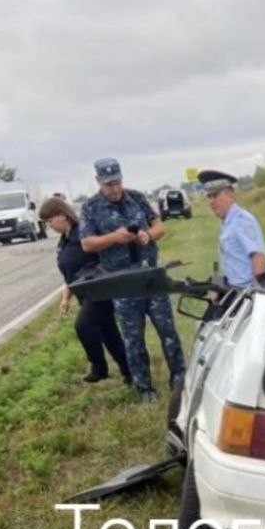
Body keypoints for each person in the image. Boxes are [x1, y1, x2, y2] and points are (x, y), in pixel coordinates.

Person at [79, 157, 186, 404]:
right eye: (108, 185)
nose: (115, 189)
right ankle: (144, 387)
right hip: (123, 282)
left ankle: (179, 376)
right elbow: (87, 243)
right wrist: (114, 238)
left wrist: (148, 235)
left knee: (167, 330)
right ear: (98, 182)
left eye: (117, 182)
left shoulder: (137, 198)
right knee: (133, 337)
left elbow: (160, 226)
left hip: (149, 276)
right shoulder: (90, 208)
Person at [38, 196, 132, 386]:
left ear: (62, 215)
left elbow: (105, 254)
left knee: (84, 326)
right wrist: (66, 297)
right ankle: (130, 372)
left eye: (50, 221)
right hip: (83, 293)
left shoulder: (83, 232)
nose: (49, 226)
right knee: (109, 334)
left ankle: (99, 368)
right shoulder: (63, 241)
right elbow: (69, 273)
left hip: (99, 290)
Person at [197, 170, 265, 290]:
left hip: (248, 290)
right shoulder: (227, 222)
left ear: (230, 195)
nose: (211, 202)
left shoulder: (242, 220)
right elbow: (225, 259)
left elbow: (259, 256)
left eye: (215, 196)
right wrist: (217, 286)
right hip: (234, 288)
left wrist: (257, 293)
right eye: (209, 197)